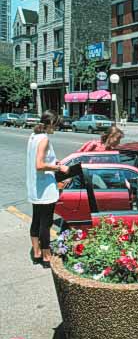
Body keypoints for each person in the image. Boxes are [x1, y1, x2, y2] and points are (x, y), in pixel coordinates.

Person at [27, 110, 69, 268]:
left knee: (36, 220)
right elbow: (39, 165)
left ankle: (36, 253)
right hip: (45, 187)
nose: (56, 128)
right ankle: (46, 256)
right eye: (56, 125)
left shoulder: (33, 136)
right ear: (50, 123)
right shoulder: (44, 139)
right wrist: (59, 168)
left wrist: (53, 161)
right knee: (46, 222)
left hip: (35, 187)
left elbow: (38, 159)